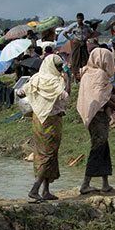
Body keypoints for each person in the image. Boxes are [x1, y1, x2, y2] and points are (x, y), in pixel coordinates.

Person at [18, 55, 70, 201]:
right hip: (52, 121)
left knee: (44, 153)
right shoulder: (57, 81)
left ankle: (46, 191)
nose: (60, 70)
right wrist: (68, 81)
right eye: (59, 67)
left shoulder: (36, 79)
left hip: (38, 120)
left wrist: (37, 96)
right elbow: (66, 97)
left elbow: (20, 92)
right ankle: (35, 189)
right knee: (48, 154)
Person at [76, 48, 115, 194]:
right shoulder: (100, 74)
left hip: (90, 115)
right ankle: (85, 183)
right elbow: (99, 96)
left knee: (103, 147)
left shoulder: (86, 72)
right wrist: (114, 105)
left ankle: (105, 183)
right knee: (97, 147)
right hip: (98, 115)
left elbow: (99, 91)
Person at [63, 13, 90, 81]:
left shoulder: (86, 26)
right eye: (78, 18)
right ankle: (75, 75)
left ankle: (84, 74)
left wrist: (87, 37)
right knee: (76, 59)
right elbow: (65, 33)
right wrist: (71, 40)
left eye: (81, 18)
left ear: (83, 19)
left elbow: (91, 32)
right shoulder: (74, 26)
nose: (79, 20)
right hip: (76, 43)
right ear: (76, 19)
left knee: (84, 58)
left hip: (83, 43)